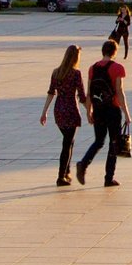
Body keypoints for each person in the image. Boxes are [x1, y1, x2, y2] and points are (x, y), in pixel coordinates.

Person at [76, 38, 129, 187]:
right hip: (112, 110)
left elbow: (89, 92)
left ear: (103, 51)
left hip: (98, 109)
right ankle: (108, 178)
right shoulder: (118, 68)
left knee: (99, 141)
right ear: (115, 52)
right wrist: (127, 113)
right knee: (114, 142)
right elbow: (119, 91)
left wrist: (89, 111)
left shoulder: (93, 68)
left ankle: (83, 164)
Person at [41, 44, 86, 186]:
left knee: (69, 141)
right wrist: (90, 110)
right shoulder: (76, 73)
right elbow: (82, 96)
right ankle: (61, 175)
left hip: (59, 110)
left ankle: (66, 172)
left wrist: (44, 112)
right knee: (67, 143)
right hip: (71, 110)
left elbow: (50, 93)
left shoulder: (56, 72)